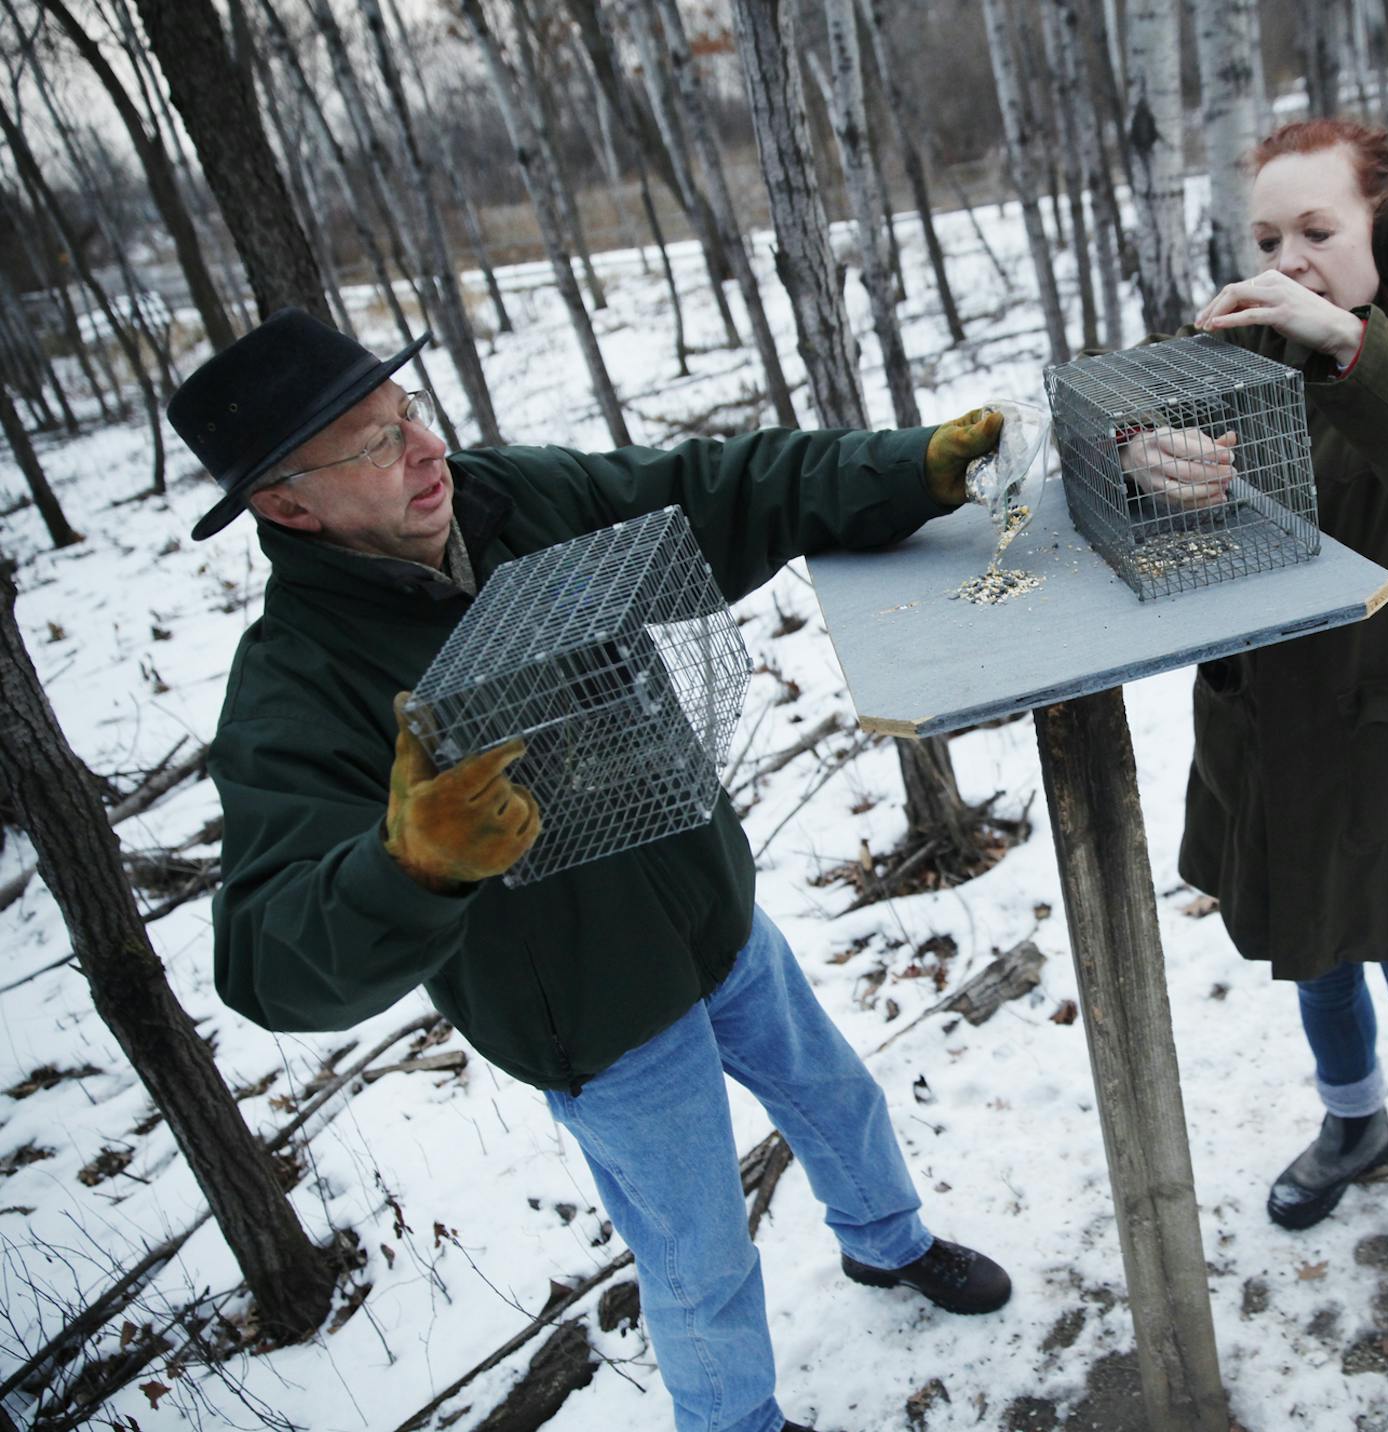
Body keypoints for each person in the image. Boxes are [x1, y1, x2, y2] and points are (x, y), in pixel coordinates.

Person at [171, 309, 1013, 1432]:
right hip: (594, 1012)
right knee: (699, 1255)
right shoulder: (295, 683)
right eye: (373, 445)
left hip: (715, 920)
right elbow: (267, 959)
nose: (425, 450)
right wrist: (410, 869)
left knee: (837, 1098)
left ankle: (886, 1243)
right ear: (286, 503)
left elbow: (723, 488)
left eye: (408, 413)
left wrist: (908, 468)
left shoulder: (514, 502)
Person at [1128, 119, 1388, 1348]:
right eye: (1270, 236)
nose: (1290, 258)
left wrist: (1351, 349)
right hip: (1274, 734)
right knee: (1313, 955)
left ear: (1385, 229)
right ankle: (1355, 1121)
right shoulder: (1237, 345)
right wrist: (1143, 454)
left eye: (1319, 231)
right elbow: (1116, 435)